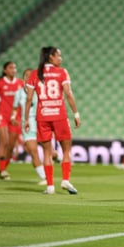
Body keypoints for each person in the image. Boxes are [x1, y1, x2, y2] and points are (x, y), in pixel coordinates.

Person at [25, 47, 81, 195]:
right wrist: (76, 114)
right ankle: (65, 180)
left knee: (47, 152)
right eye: (58, 56)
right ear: (51, 57)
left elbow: (29, 98)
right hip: (59, 115)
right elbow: (68, 93)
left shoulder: (34, 74)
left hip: (42, 116)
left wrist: (25, 119)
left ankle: (50, 186)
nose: (60, 59)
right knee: (66, 149)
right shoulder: (61, 72)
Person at [0, 61, 24, 180]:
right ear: (5, 70)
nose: (13, 69)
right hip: (2, 116)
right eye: (10, 67)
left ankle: (3, 168)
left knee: (10, 145)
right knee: (4, 141)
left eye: (14, 67)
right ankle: (3, 170)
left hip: (14, 118)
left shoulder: (20, 83)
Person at [11, 68, 47, 185]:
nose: (28, 77)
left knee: (48, 150)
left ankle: (57, 156)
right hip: (27, 124)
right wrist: (12, 117)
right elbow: (15, 108)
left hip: (40, 122)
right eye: (26, 75)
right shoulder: (19, 93)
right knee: (33, 151)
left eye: (31, 75)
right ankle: (45, 177)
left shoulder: (40, 91)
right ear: (23, 78)